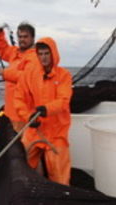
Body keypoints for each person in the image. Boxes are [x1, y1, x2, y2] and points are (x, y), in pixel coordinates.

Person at [13, 37, 72, 185]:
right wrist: (28, 116)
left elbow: (63, 100)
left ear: (53, 54)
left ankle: (61, 195)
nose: (43, 57)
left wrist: (46, 109)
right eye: (40, 54)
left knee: (60, 177)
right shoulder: (29, 75)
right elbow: (18, 99)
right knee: (22, 165)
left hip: (57, 132)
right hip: (35, 128)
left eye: (47, 53)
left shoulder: (64, 75)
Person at [0, 22, 38, 131]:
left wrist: (5, 73)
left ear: (33, 38)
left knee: (25, 139)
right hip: (12, 111)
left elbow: (27, 77)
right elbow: (3, 50)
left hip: (25, 112)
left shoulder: (36, 57)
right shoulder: (15, 52)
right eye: (20, 37)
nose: (22, 39)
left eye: (25, 37)